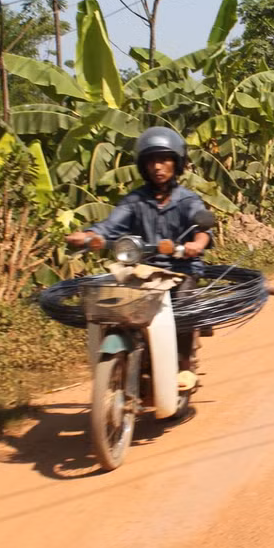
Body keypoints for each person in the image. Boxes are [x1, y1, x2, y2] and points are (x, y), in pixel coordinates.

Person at [65, 126, 213, 389]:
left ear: (176, 163)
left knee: (182, 305)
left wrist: (196, 244)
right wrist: (89, 236)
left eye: (164, 159)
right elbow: (110, 226)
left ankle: (183, 364)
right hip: (144, 271)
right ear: (143, 166)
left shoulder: (188, 199)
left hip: (181, 269)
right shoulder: (134, 200)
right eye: (151, 160)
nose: (157, 166)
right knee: (112, 303)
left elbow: (202, 229)